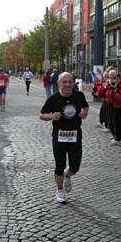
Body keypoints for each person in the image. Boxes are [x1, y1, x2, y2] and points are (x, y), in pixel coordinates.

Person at [39, 72, 89, 203]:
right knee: (59, 165)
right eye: (64, 82)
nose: (67, 85)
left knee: (75, 166)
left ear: (73, 83)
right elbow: (42, 115)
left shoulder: (79, 96)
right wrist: (51, 116)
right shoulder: (53, 99)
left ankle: (68, 176)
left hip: (75, 136)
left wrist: (85, 113)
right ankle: (60, 190)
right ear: (58, 83)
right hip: (59, 136)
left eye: (69, 82)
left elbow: (85, 106)